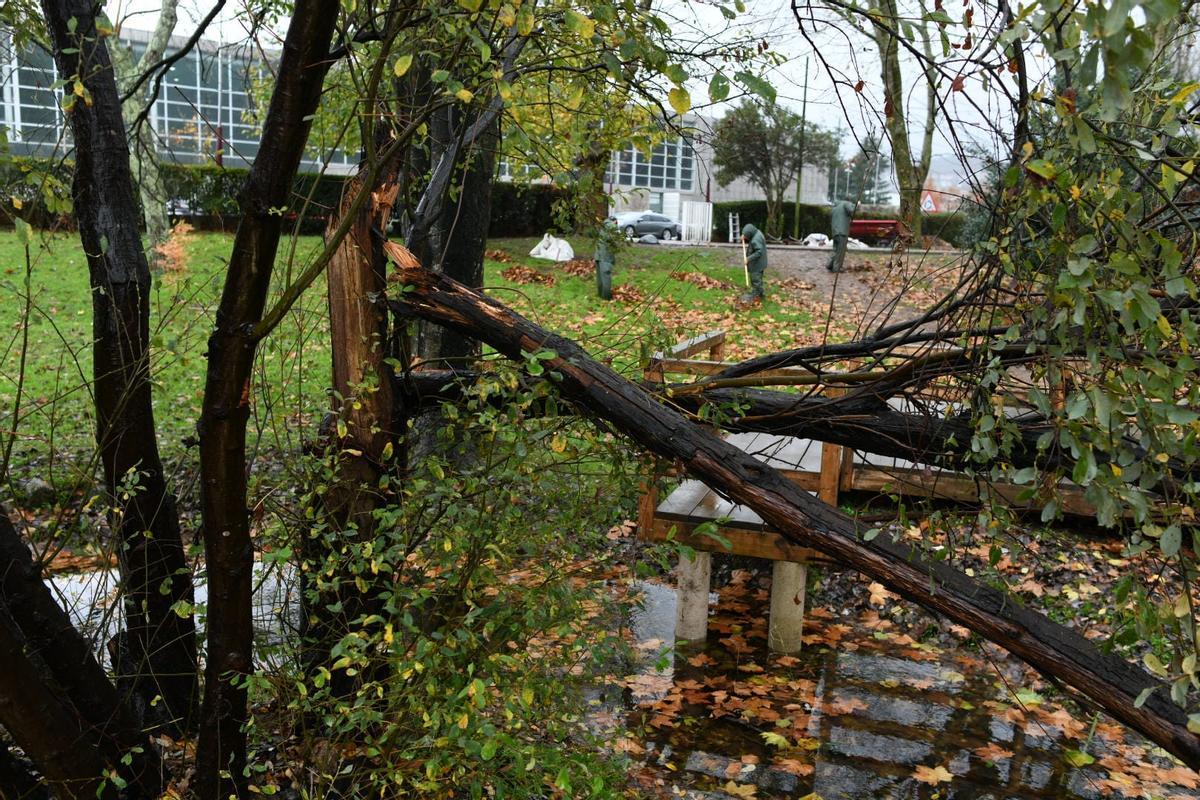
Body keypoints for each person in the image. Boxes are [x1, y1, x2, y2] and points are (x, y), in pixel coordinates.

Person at [740, 223, 768, 303]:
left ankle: (756, 295)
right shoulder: (757, 232)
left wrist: (748, 259)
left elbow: (759, 252)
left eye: (745, 236)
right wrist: (744, 236)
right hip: (760, 262)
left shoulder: (756, 240)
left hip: (757, 264)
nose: (744, 237)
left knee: (755, 279)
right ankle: (760, 293)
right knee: (758, 279)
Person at [827, 199, 856, 273]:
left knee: (835, 249)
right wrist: (857, 205)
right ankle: (836, 268)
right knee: (840, 251)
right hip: (842, 232)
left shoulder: (835, 208)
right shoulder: (846, 203)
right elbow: (851, 210)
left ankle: (829, 264)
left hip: (835, 231)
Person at [594, 221, 617, 300]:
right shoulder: (612, 226)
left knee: (600, 277)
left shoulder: (603, 226)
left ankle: (600, 295)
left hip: (598, 255)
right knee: (606, 277)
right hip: (606, 256)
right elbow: (611, 239)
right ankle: (606, 297)